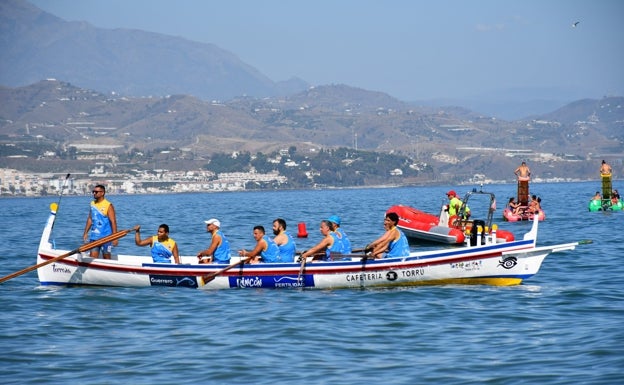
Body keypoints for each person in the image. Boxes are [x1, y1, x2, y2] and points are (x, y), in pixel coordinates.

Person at [83, 184, 118, 259]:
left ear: (102, 193)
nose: (94, 193)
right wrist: (85, 233)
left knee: (106, 257)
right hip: (94, 237)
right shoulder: (92, 204)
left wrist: (115, 237)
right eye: (93, 191)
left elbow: (113, 221)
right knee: (92, 257)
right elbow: (90, 218)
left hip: (106, 237)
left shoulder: (108, 205)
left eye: (96, 192)